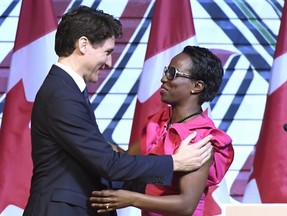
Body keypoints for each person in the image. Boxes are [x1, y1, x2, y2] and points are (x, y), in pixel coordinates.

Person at [23, 6, 213, 216]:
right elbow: (107, 164)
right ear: (83, 45)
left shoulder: (66, 90)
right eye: (107, 52)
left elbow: (100, 158)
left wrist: (159, 180)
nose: (109, 62)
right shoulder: (61, 94)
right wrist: (174, 163)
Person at [89, 46, 234, 216]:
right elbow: (128, 161)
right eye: (167, 71)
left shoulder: (200, 138)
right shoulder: (160, 123)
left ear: (197, 86)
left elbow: (186, 204)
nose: (163, 78)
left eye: (172, 73)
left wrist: (131, 199)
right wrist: (87, 140)